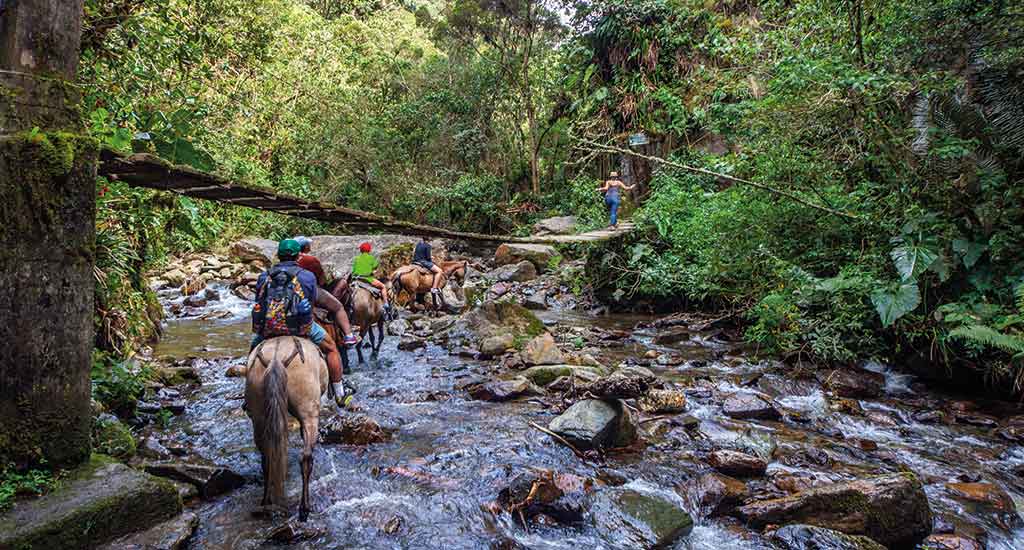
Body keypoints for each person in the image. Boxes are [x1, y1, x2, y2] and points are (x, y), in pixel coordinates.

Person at [251, 239, 356, 407]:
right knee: (331, 348)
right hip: (299, 328)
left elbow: (259, 299)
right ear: (298, 255)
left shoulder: (264, 276)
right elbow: (311, 298)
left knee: (253, 350)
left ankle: (249, 396)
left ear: (278, 255)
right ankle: (339, 393)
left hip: (268, 329)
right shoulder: (307, 276)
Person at [351, 242, 394, 318]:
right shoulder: (371, 258)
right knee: (383, 287)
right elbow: (375, 267)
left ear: (361, 250)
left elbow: (353, 270)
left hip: (356, 280)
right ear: (369, 250)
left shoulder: (356, 258)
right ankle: (385, 304)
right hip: (367, 279)